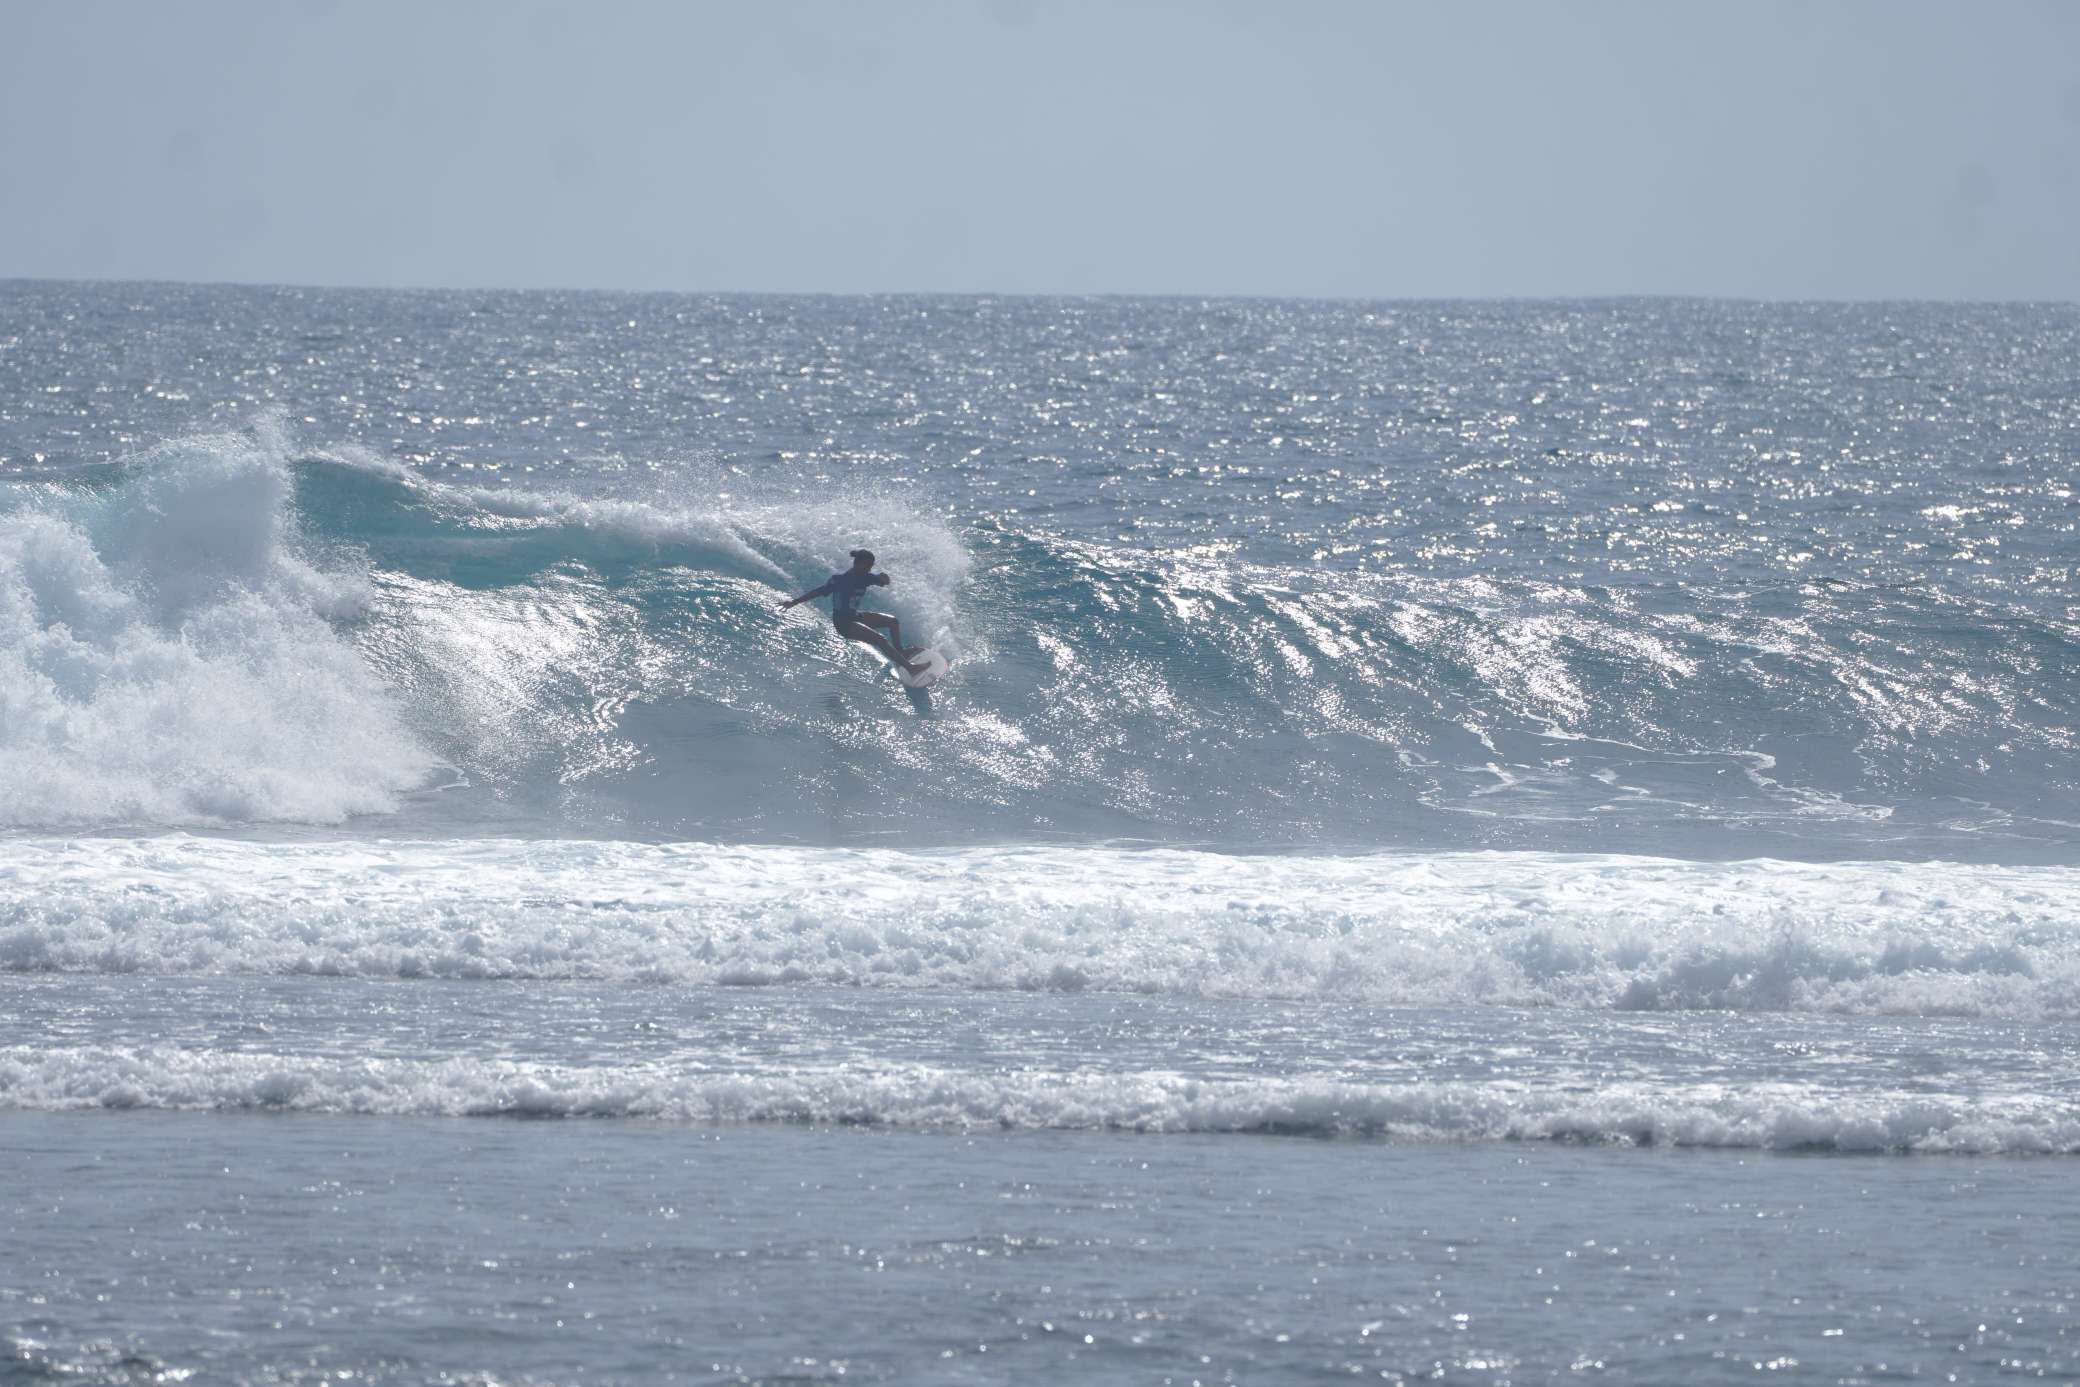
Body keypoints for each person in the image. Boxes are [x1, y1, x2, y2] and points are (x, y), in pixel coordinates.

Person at [780, 548, 925, 676]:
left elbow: (883, 581)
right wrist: (793, 602)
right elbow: (817, 592)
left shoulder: (866, 577)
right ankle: (911, 669)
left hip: (856, 617)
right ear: (859, 564)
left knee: (892, 621)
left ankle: (900, 652)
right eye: (868, 565)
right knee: (880, 640)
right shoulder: (840, 580)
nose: (870, 568)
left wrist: (884, 577)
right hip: (843, 623)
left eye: (871, 566)